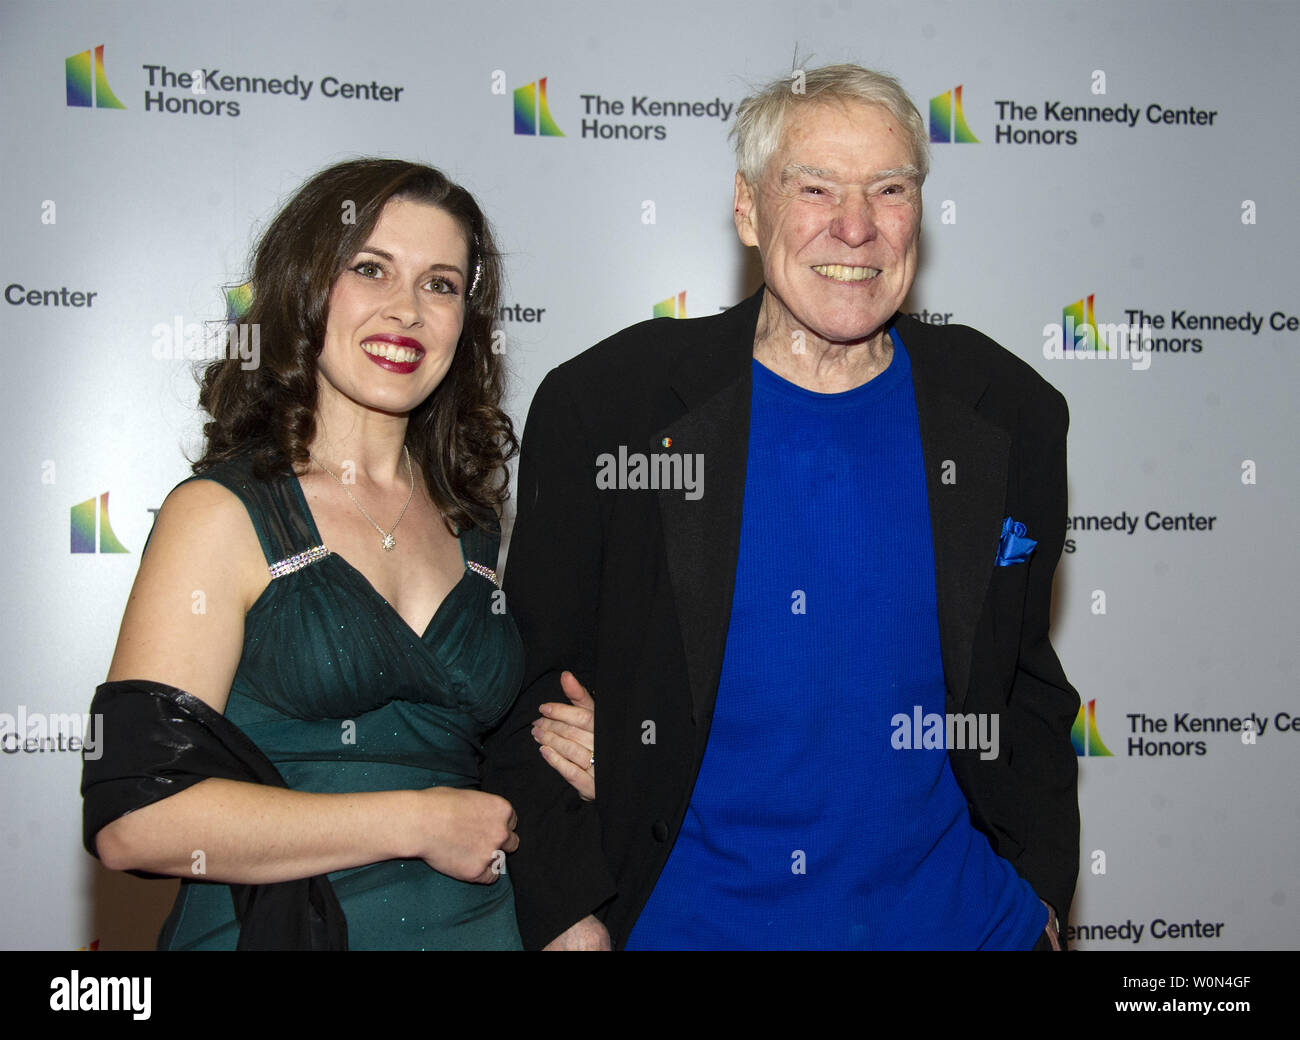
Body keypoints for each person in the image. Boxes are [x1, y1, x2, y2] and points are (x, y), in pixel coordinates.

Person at [487, 65, 1080, 950]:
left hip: (966, 926)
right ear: (748, 209)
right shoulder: (612, 406)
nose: (857, 226)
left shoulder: (1009, 412)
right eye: (816, 188)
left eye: (890, 188)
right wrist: (571, 920)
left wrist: (1037, 897)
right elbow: (526, 687)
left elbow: (1022, 682)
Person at [82, 158, 592, 950]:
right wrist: (413, 821)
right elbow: (134, 819)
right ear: (305, 289)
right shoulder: (223, 514)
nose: (407, 311)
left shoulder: (476, 520)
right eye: (370, 269)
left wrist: (601, 755)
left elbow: (487, 752)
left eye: (441, 285)